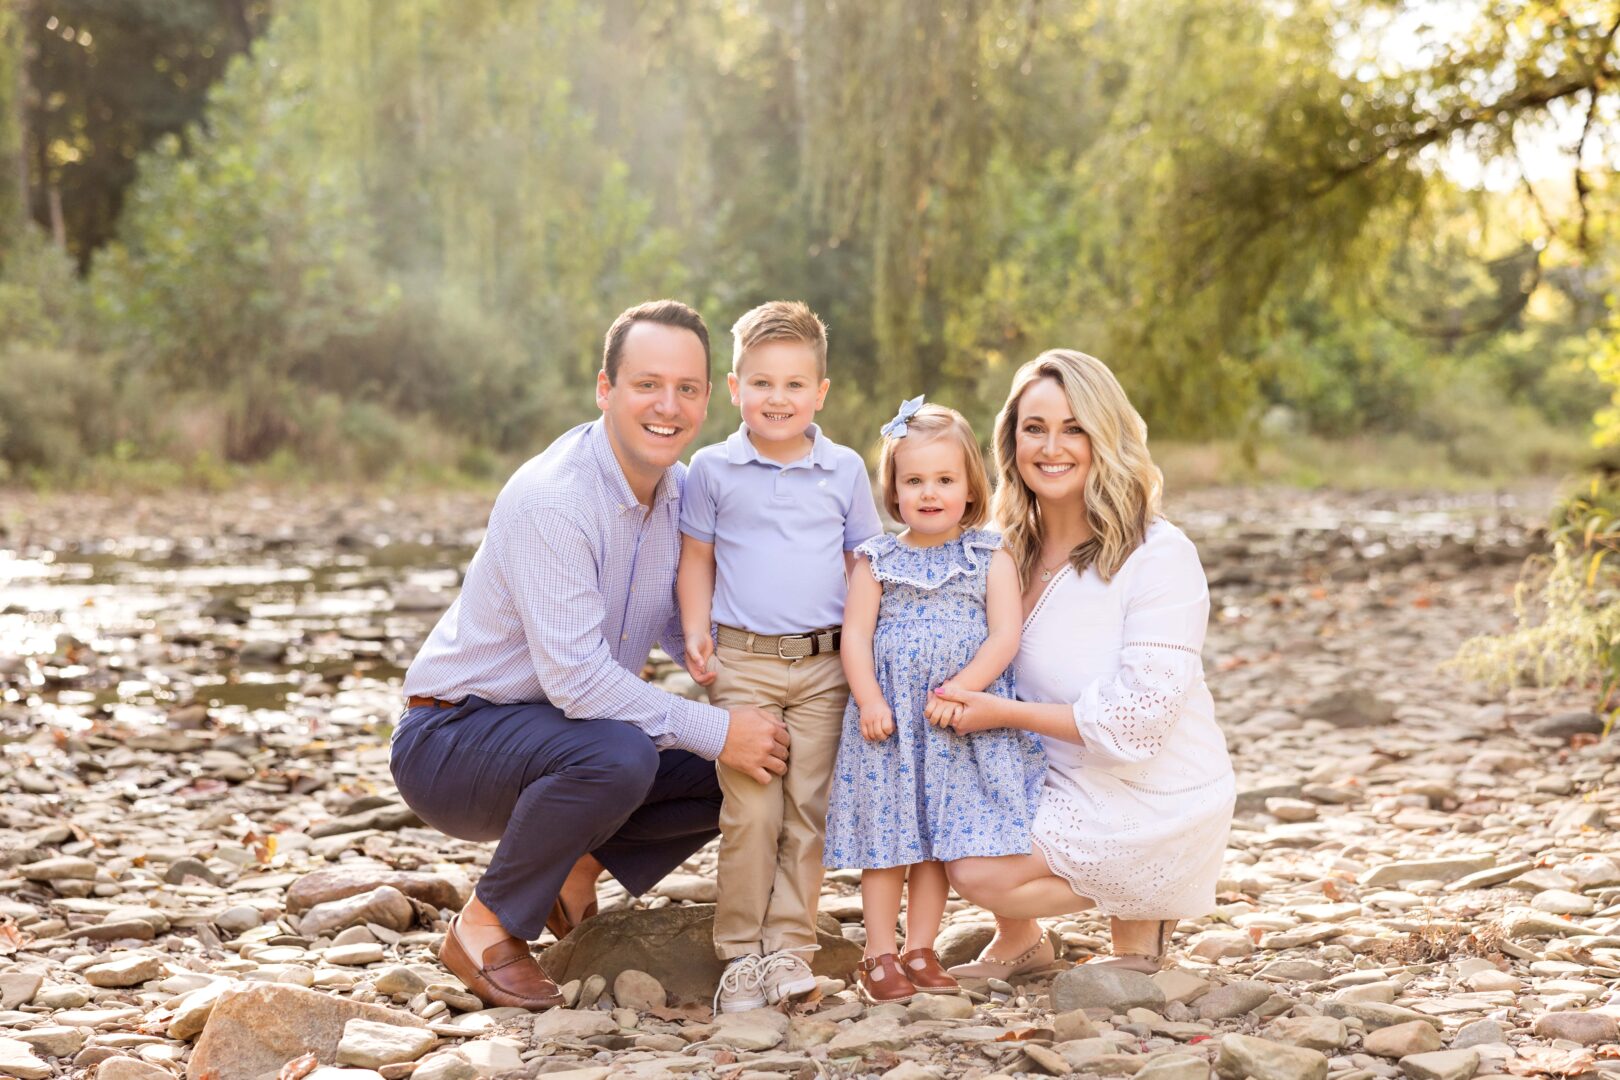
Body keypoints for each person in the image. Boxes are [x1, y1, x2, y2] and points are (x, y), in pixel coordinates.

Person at [390, 300, 791, 1011]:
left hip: (563, 735)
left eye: (687, 388)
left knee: (754, 764)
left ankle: (576, 865)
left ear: (708, 397)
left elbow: (689, 625)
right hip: (452, 738)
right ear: (605, 389)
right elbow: (577, 681)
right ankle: (483, 928)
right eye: (647, 384)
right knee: (624, 753)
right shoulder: (554, 500)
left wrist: (776, 694)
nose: (668, 406)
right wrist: (720, 727)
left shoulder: (680, 493)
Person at [933, 349, 1235, 977]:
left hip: (1149, 786)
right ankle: (1020, 941)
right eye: (1035, 428)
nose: (1052, 448)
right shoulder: (998, 549)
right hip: (1041, 770)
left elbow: (1140, 721)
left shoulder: (1157, 555)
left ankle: (1149, 903)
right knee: (919, 787)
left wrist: (1000, 712)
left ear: (1106, 436)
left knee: (978, 870)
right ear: (1011, 440)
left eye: (1074, 428)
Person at [676, 300, 883, 1013]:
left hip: (826, 667)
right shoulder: (712, 469)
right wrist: (695, 628)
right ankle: (740, 951)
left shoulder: (844, 469)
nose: (778, 398)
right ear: (735, 388)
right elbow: (697, 558)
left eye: (795, 384)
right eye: (761, 383)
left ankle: (790, 945)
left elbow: (863, 565)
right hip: (744, 664)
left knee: (808, 808)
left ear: (820, 393)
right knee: (751, 811)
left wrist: (868, 654)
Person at [822, 399, 1047, 1004]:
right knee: (887, 844)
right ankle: (878, 953)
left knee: (934, 844)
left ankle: (920, 948)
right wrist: (870, 699)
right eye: (914, 480)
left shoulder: (989, 555)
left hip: (953, 723)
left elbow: (1004, 636)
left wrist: (962, 689)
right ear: (893, 490)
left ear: (970, 487)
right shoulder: (877, 559)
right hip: (890, 725)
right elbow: (855, 637)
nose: (929, 493)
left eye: (945, 480)